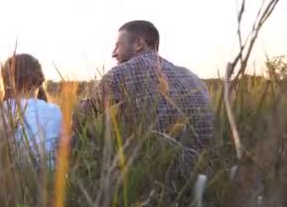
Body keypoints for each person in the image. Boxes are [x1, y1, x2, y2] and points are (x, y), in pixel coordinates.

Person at [74, 20, 215, 175]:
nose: (113, 53)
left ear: (139, 44)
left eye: (118, 45)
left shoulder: (121, 73)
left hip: (155, 180)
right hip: (203, 175)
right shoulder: (194, 78)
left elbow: (81, 117)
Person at [0, 53, 63, 167]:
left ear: (5, 81)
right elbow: (65, 149)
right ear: (38, 81)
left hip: (6, 182)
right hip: (47, 181)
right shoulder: (55, 111)